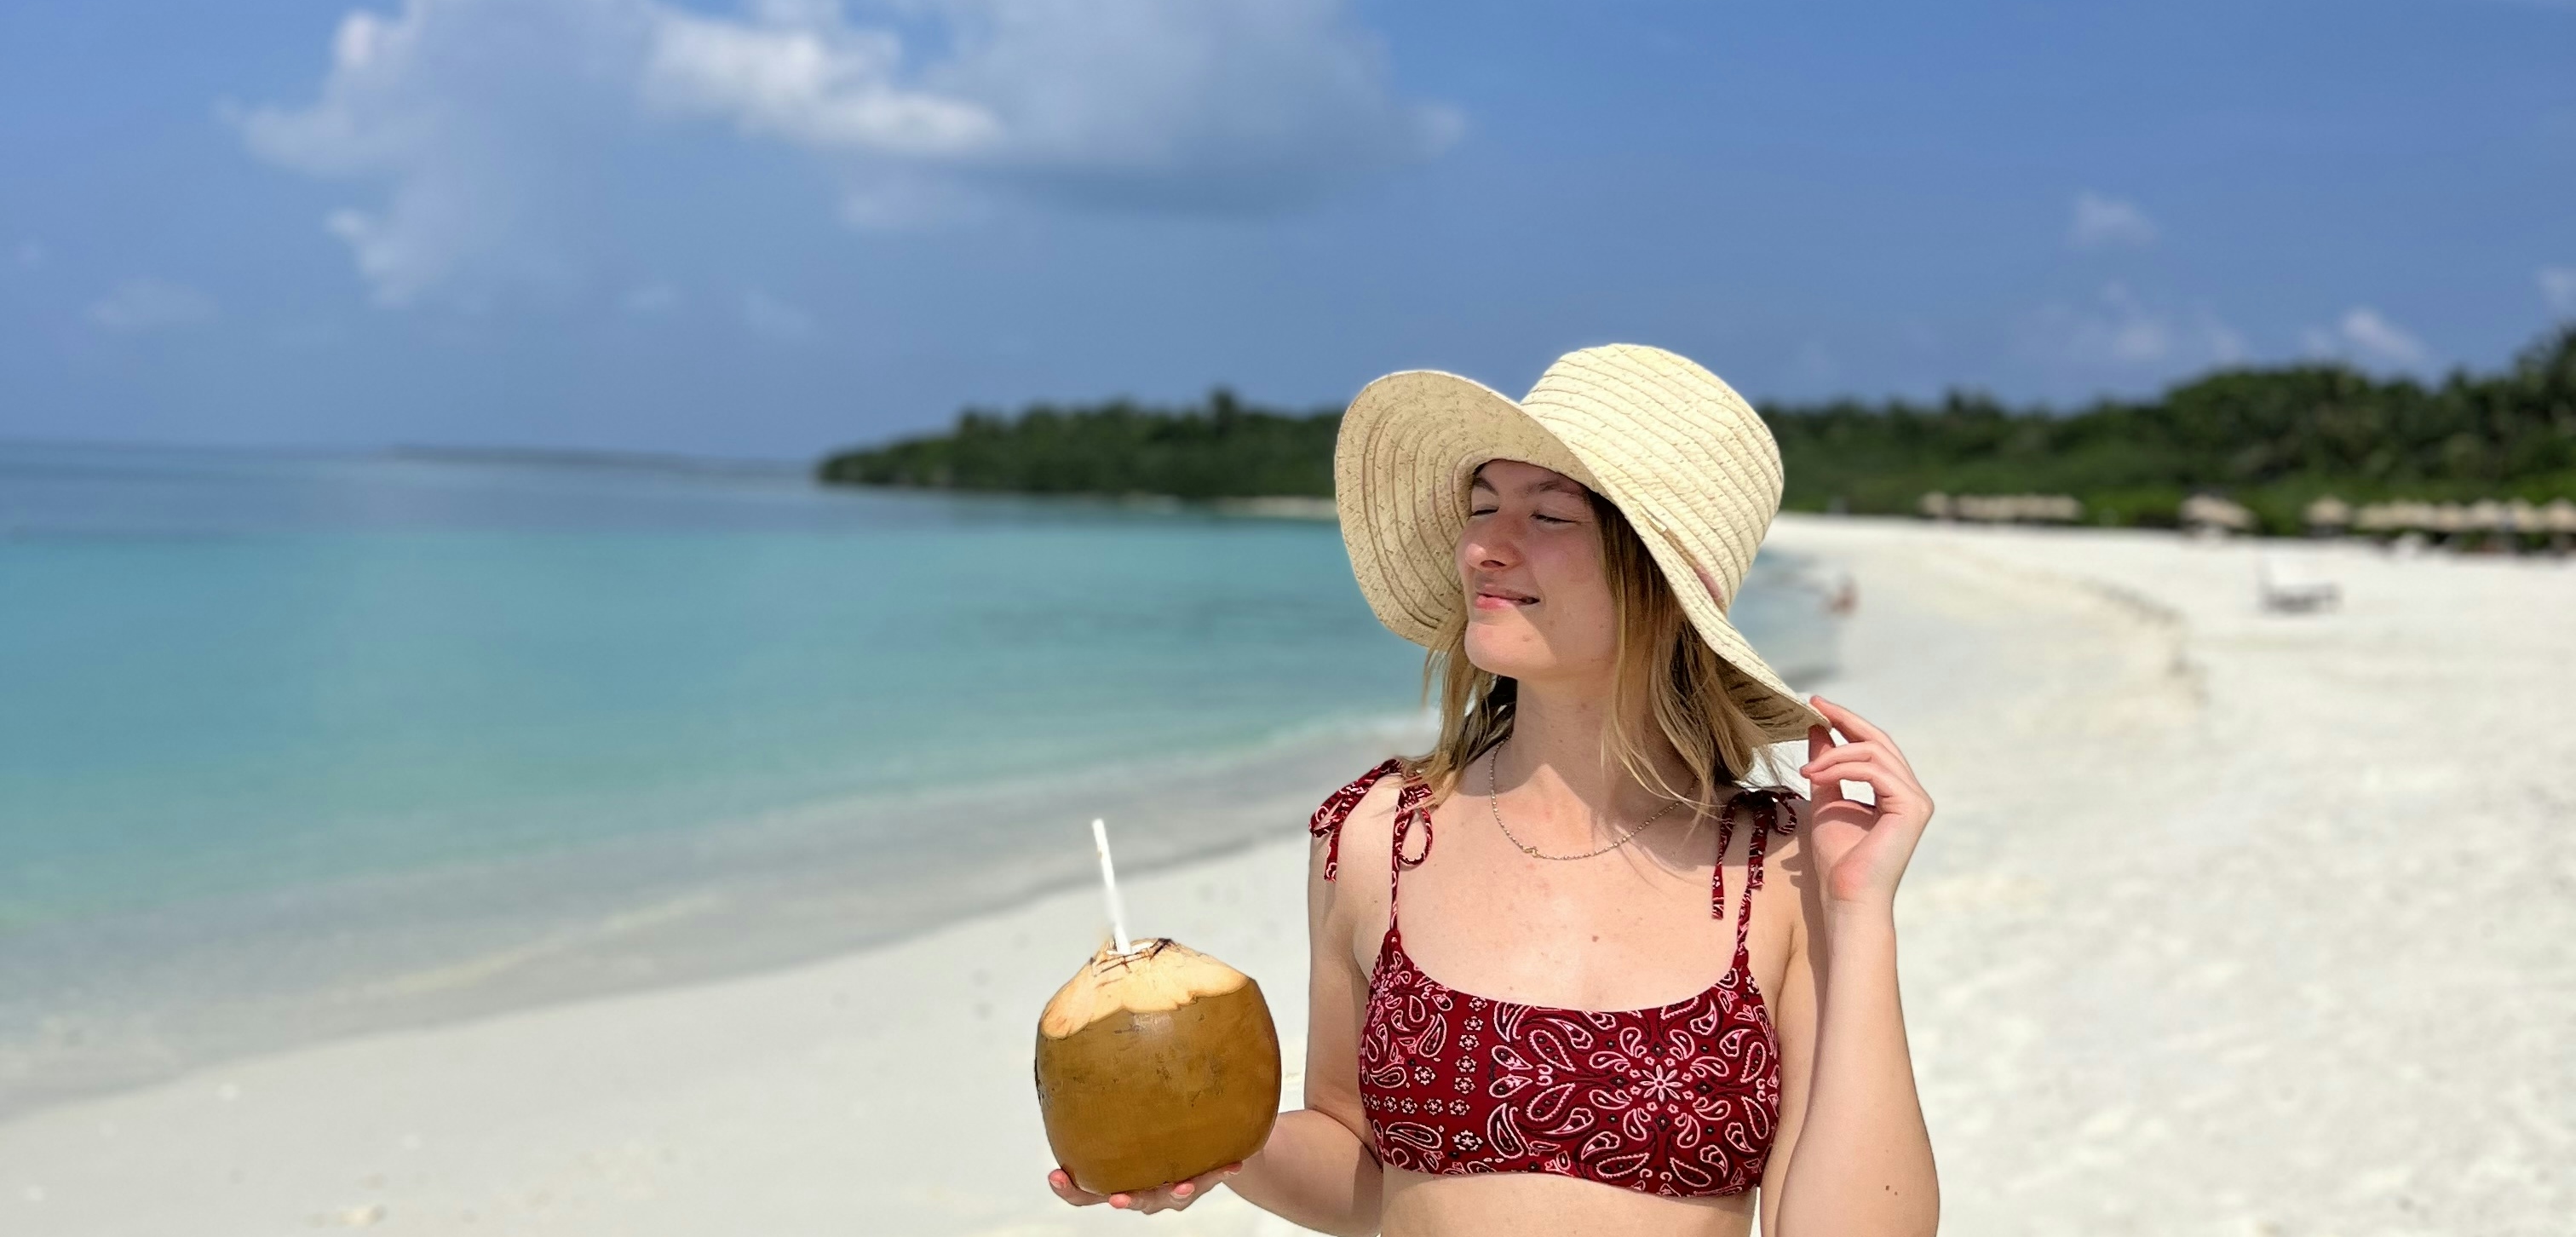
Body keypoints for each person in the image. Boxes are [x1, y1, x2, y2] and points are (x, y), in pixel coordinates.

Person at [1049, 345, 1939, 1235]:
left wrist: (1861, 917)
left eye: (1547, 515)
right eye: (1482, 508)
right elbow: (1361, 1172)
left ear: (1661, 584)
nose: (1481, 547)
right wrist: (1206, 1139)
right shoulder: (1375, 837)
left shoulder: (1780, 869)